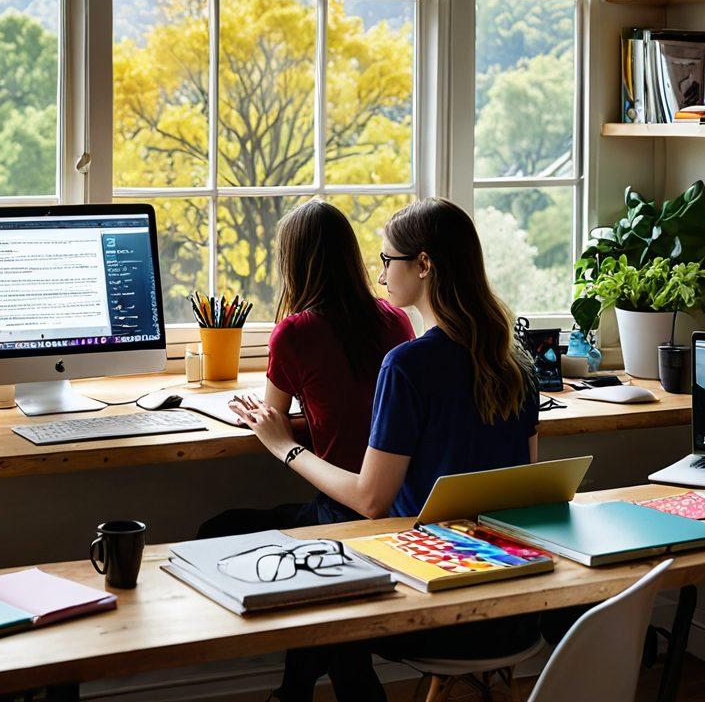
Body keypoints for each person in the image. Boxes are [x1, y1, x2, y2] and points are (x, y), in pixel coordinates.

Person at [231, 197, 541, 702]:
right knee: (331, 543)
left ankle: (317, 691)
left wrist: (285, 446)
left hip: (428, 608)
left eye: (387, 261)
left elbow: (372, 501)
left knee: (326, 553)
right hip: (510, 607)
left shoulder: (407, 366)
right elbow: (526, 487)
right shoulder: (513, 362)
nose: (379, 275)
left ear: (424, 265)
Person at [198, 198, 415, 538]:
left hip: (344, 510)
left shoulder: (294, 334)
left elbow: (274, 416)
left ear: (291, 264)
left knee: (216, 529)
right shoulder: (395, 319)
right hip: (401, 504)